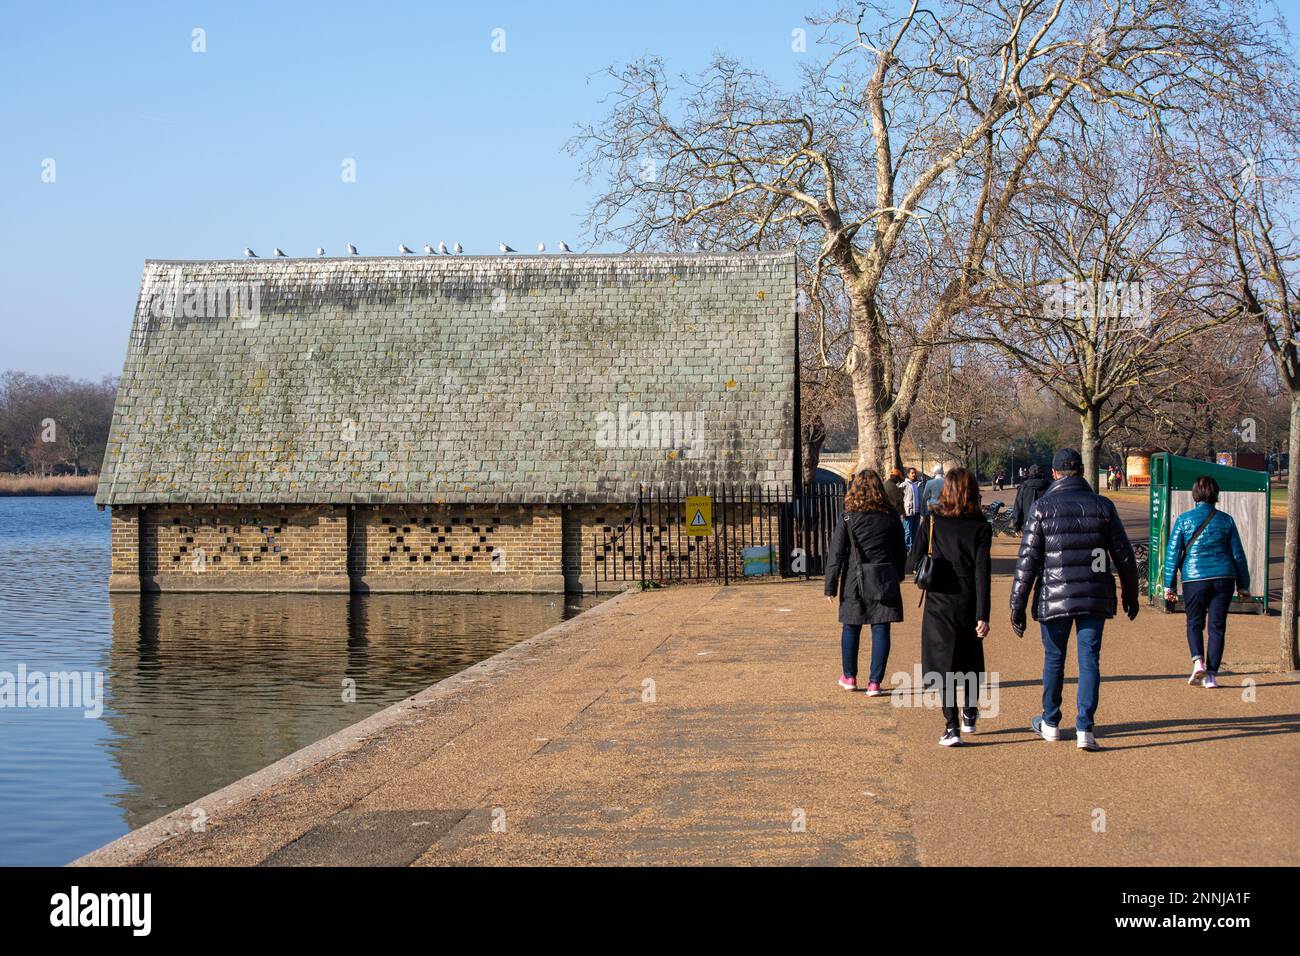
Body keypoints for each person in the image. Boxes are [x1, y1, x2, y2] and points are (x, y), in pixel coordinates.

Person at [1010, 448, 1139, 751]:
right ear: (1081, 471)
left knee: (1054, 659)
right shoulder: (1103, 506)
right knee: (1089, 660)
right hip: (1094, 593)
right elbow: (1123, 555)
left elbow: (1027, 561)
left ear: (1054, 474)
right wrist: (1130, 594)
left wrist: (1016, 605)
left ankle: (1051, 721)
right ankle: (1085, 727)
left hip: (1054, 593)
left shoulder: (1041, 508)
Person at [907, 467, 992, 746]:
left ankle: (951, 725)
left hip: (939, 597)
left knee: (942, 662)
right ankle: (969, 711)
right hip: (968, 597)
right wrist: (983, 614)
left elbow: (914, 559)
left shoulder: (933, 521)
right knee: (968, 657)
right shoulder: (981, 526)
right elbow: (982, 571)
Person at [824, 469, 907, 697]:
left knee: (851, 626)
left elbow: (837, 553)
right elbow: (900, 549)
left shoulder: (849, 516)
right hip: (883, 576)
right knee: (881, 627)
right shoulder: (890, 515)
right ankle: (874, 682)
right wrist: (898, 574)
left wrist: (830, 584)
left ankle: (849, 676)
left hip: (854, 577)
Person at [1163, 475, 1251, 689]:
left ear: (1194, 495)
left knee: (1194, 622)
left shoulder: (1184, 520)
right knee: (1217, 626)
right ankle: (1211, 675)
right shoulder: (1226, 520)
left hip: (1195, 577)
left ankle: (1198, 662)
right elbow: (1237, 554)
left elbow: (1173, 553)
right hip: (1224, 577)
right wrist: (1244, 584)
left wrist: (1169, 585)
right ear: (1216, 495)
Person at [1011, 464, 1049, 534]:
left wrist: (1016, 525)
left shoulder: (1023, 486)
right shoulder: (1049, 485)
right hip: (1046, 523)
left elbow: (1018, 506)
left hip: (1028, 523)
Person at [902, 466, 923, 550]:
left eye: (915, 473)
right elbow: (900, 499)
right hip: (908, 512)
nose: (914, 475)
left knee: (915, 532)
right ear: (908, 474)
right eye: (912, 473)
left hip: (917, 512)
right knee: (907, 532)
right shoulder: (904, 485)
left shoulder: (916, 485)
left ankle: (913, 548)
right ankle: (906, 548)